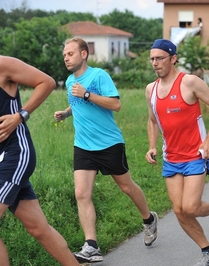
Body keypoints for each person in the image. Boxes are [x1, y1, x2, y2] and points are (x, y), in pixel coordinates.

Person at [54, 37, 158, 263]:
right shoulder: (71, 80)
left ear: (84, 54)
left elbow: (116, 104)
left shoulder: (99, 75)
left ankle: (149, 219)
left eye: (70, 54)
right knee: (81, 194)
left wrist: (88, 94)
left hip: (109, 144)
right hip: (83, 146)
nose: (66, 58)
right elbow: (77, 103)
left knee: (127, 187)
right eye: (64, 55)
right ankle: (91, 245)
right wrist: (66, 112)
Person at [145, 39, 209, 266]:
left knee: (191, 207)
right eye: (152, 59)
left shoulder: (190, 82)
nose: (155, 63)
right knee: (179, 211)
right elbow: (152, 120)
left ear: (173, 58)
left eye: (160, 58)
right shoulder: (151, 90)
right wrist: (152, 146)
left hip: (195, 154)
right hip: (171, 158)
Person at [0, 56, 79, 266]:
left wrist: (20, 115)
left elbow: (47, 82)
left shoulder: (3, 64)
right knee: (38, 228)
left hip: (15, 153)